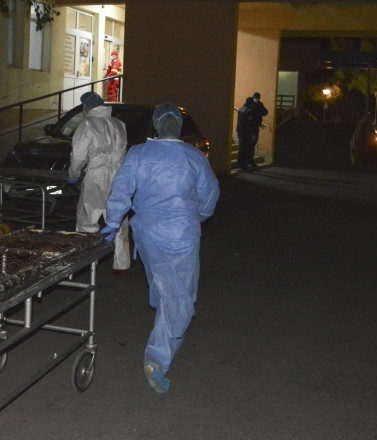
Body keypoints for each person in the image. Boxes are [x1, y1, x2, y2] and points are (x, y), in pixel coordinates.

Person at [100, 103, 219, 394]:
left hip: (150, 235)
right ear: (179, 127)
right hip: (182, 237)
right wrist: (194, 216)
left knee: (166, 289)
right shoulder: (193, 157)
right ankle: (157, 359)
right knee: (181, 297)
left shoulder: (139, 154)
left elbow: (122, 189)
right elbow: (210, 196)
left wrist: (113, 221)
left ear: (155, 126)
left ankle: (164, 324)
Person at [68, 91, 130, 273]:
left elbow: (78, 155)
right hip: (118, 177)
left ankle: (85, 262)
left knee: (87, 218)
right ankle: (122, 264)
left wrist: (73, 173)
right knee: (118, 220)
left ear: (86, 108)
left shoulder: (87, 124)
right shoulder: (119, 124)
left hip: (95, 176)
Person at [236, 96, 256, 170]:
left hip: (240, 130)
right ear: (251, 103)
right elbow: (249, 123)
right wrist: (252, 133)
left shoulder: (241, 109)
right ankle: (243, 164)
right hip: (246, 132)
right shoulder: (249, 111)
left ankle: (239, 163)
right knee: (245, 148)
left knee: (241, 147)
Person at [250, 92, 269, 162]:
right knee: (251, 143)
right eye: (255, 98)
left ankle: (250, 160)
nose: (256, 100)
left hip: (255, 127)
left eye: (257, 98)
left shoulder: (260, 104)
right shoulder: (250, 104)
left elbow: (265, 112)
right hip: (250, 127)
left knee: (253, 143)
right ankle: (249, 160)